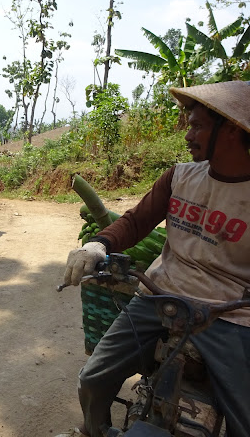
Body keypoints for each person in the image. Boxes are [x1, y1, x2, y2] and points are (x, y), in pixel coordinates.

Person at [57, 80, 250, 437]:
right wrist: (97, 245)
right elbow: (135, 221)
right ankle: (92, 429)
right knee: (92, 378)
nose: (187, 134)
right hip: (160, 298)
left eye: (198, 125)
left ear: (233, 131)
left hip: (231, 316)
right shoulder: (181, 176)